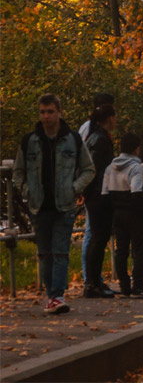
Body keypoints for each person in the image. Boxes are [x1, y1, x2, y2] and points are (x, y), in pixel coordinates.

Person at [13, 94, 96, 314]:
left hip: (64, 205)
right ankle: (52, 294)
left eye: (50, 111)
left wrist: (74, 188)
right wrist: (27, 191)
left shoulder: (73, 139)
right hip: (39, 205)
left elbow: (89, 169)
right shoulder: (30, 141)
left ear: (59, 112)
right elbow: (18, 172)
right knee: (44, 252)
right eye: (42, 112)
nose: (46, 116)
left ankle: (57, 295)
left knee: (60, 251)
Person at [103, 133, 143, 298]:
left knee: (121, 250)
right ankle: (138, 286)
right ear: (136, 149)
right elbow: (136, 194)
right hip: (134, 214)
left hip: (117, 213)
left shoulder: (110, 167)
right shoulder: (135, 167)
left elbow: (105, 194)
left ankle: (124, 286)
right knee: (140, 249)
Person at [79, 93, 115, 293]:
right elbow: (96, 168)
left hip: (95, 193)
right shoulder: (100, 139)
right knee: (97, 238)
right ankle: (92, 282)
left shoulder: (95, 135)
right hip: (99, 195)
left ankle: (94, 281)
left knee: (97, 237)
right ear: (109, 117)